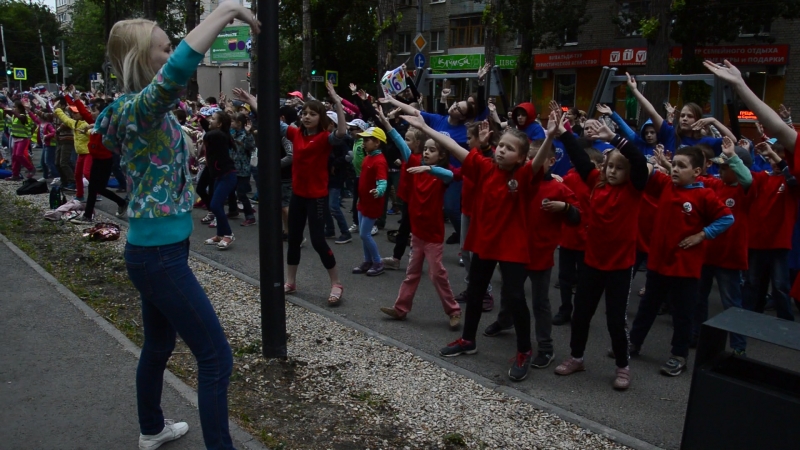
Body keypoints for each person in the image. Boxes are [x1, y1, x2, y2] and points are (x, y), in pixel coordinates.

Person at [94, 4, 260, 448]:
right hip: (159, 257)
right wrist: (225, 11)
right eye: (164, 49)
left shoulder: (136, 111)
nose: (173, 55)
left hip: (158, 252)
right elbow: (182, 67)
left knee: (158, 347)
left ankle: (152, 428)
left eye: (171, 48)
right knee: (216, 358)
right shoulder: (142, 109)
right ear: (138, 60)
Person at [404, 110, 553, 382]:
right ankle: (468, 340)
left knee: (516, 297)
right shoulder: (485, 167)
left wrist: (551, 135)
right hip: (485, 241)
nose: (502, 151)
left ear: (520, 157)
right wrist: (426, 128)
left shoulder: (522, 176)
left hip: (512, 245)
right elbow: (453, 147)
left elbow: (537, 164)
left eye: (510, 149)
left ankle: (524, 351)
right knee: (475, 291)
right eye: (502, 146)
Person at [552, 118, 649, 391]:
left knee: (615, 320)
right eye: (609, 166)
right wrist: (565, 133)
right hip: (592, 262)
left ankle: (623, 366)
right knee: (581, 313)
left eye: (620, 168)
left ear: (630, 174)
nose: (613, 171)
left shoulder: (633, 190)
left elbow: (639, 161)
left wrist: (615, 138)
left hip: (619, 266)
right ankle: (576, 357)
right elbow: (581, 159)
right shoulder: (597, 183)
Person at [627, 145, 733, 377]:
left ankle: (678, 355)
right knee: (647, 308)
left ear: (697, 172)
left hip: (685, 268)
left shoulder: (704, 194)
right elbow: (646, 171)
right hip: (657, 263)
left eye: (681, 166)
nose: (675, 169)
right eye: (673, 164)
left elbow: (727, 218)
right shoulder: (666, 185)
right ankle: (633, 343)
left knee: (683, 314)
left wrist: (702, 234)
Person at [483, 133, 581, 372]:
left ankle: (545, 347)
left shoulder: (558, 187)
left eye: (538, 159)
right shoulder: (517, 180)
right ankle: (505, 320)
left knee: (540, 302)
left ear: (550, 161)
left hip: (540, 254)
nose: (532, 164)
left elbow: (577, 216)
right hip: (514, 251)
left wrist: (565, 207)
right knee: (510, 292)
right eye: (529, 159)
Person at [376, 108, 460, 328]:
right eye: (425, 150)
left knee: (436, 274)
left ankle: (453, 310)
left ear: (441, 155)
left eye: (432, 151)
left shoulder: (439, 173)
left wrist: (429, 168)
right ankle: (401, 308)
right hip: (418, 233)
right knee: (411, 273)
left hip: (433, 236)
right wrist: (386, 122)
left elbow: (450, 175)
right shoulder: (414, 162)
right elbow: (401, 143)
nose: (426, 153)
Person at [282, 80, 347, 306]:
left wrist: (337, 102)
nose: (307, 117)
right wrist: (252, 101)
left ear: (321, 118)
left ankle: (336, 283)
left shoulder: (324, 139)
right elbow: (272, 119)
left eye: (312, 114)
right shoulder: (295, 134)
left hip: (317, 197)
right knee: (293, 238)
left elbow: (341, 132)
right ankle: (290, 281)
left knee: (319, 241)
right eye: (304, 113)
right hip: (298, 195)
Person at [693, 137, 752, 355]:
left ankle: (738, 346)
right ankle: (696, 335)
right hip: (708, 253)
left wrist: (734, 157)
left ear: (735, 168)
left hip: (730, 257)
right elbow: (698, 179)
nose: (720, 170)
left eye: (724, 167)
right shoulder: (716, 184)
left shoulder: (745, 191)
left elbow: (746, 178)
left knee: (732, 303)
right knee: (699, 298)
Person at [352, 126, 389, 276]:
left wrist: (379, 191)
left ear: (377, 143)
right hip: (364, 202)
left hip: (372, 203)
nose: (363, 142)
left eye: (367, 140)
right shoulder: (368, 157)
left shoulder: (379, 161)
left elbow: (383, 181)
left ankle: (378, 262)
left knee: (364, 234)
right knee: (363, 233)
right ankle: (368, 261)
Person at [54, 104, 92, 201]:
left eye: (76, 113)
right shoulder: (75, 123)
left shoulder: (87, 124)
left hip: (88, 153)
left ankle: (97, 191)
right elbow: (65, 119)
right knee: (77, 174)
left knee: (87, 173)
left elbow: (93, 132)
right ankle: (80, 195)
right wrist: (57, 109)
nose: (73, 114)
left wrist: (87, 131)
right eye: (73, 113)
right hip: (81, 153)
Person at [231, 113, 256, 227]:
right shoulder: (234, 133)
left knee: (241, 194)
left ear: (239, 123)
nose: (231, 124)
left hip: (243, 169)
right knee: (233, 191)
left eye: (233, 122)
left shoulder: (246, 134)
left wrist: (248, 133)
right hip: (234, 167)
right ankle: (233, 210)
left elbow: (250, 147)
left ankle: (250, 216)